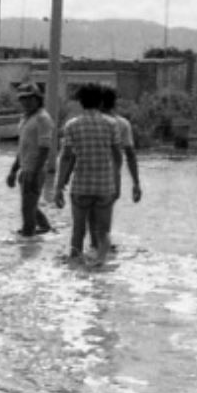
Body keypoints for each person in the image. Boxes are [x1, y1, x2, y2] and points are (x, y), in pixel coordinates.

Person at [53, 82, 121, 265]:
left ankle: (75, 259)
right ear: (100, 102)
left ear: (81, 103)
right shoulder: (112, 124)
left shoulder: (71, 126)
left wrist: (59, 187)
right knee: (103, 231)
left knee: (78, 229)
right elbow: (117, 157)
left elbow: (66, 158)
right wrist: (116, 182)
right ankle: (100, 261)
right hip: (104, 186)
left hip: (81, 185)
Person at [5, 82, 55, 237]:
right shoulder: (25, 118)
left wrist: (35, 172)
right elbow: (22, 148)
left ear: (38, 99)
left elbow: (45, 149)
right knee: (30, 206)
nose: (25, 102)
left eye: (29, 98)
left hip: (35, 170)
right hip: (25, 169)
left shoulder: (42, 118)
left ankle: (27, 244)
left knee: (27, 210)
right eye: (22, 99)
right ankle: (46, 229)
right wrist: (13, 170)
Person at [107, 91, 142, 251]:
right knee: (105, 210)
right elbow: (130, 155)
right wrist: (136, 183)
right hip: (113, 176)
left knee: (92, 211)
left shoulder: (84, 122)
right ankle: (102, 242)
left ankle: (98, 243)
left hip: (91, 175)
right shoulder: (122, 124)